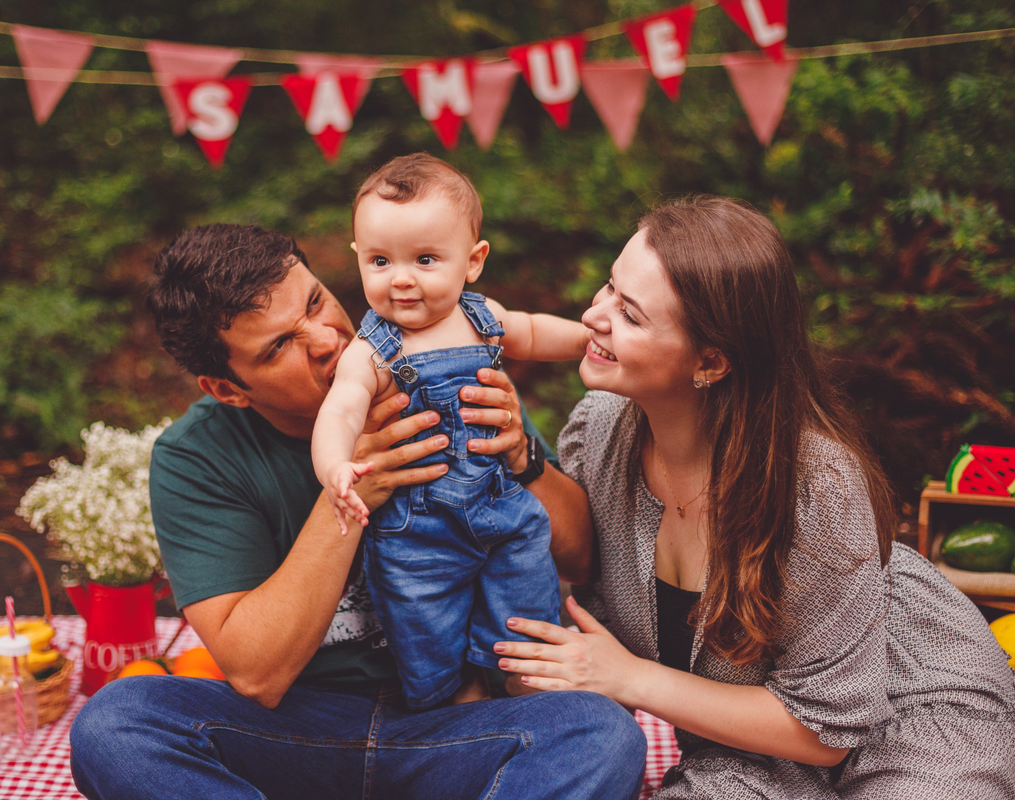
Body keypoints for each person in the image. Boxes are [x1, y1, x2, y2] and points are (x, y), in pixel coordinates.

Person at [495, 195, 1015, 799]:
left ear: (711, 361)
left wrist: (631, 679)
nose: (595, 316)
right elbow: (581, 558)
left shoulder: (817, 487)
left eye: (632, 315)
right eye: (609, 288)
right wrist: (522, 459)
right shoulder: (601, 428)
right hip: (740, 737)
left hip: (897, 708)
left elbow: (827, 728)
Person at [67, 222, 647, 799]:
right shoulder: (197, 456)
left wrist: (522, 460)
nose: (325, 339)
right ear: (228, 389)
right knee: (117, 724)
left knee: (603, 736)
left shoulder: (438, 365)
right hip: (295, 733)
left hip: (461, 727)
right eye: (278, 347)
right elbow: (257, 675)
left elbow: (581, 561)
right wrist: (350, 491)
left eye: (316, 302)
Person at [312, 154, 588, 709]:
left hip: (503, 511)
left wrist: (592, 340)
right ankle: (453, 707)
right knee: (427, 643)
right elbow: (340, 411)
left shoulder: (482, 317)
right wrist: (336, 467)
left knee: (526, 622)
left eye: (427, 259)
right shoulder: (370, 352)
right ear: (358, 259)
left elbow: (534, 334)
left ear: (473, 260)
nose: (402, 278)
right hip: (418, 536)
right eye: (381, 260)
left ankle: (521, 687)